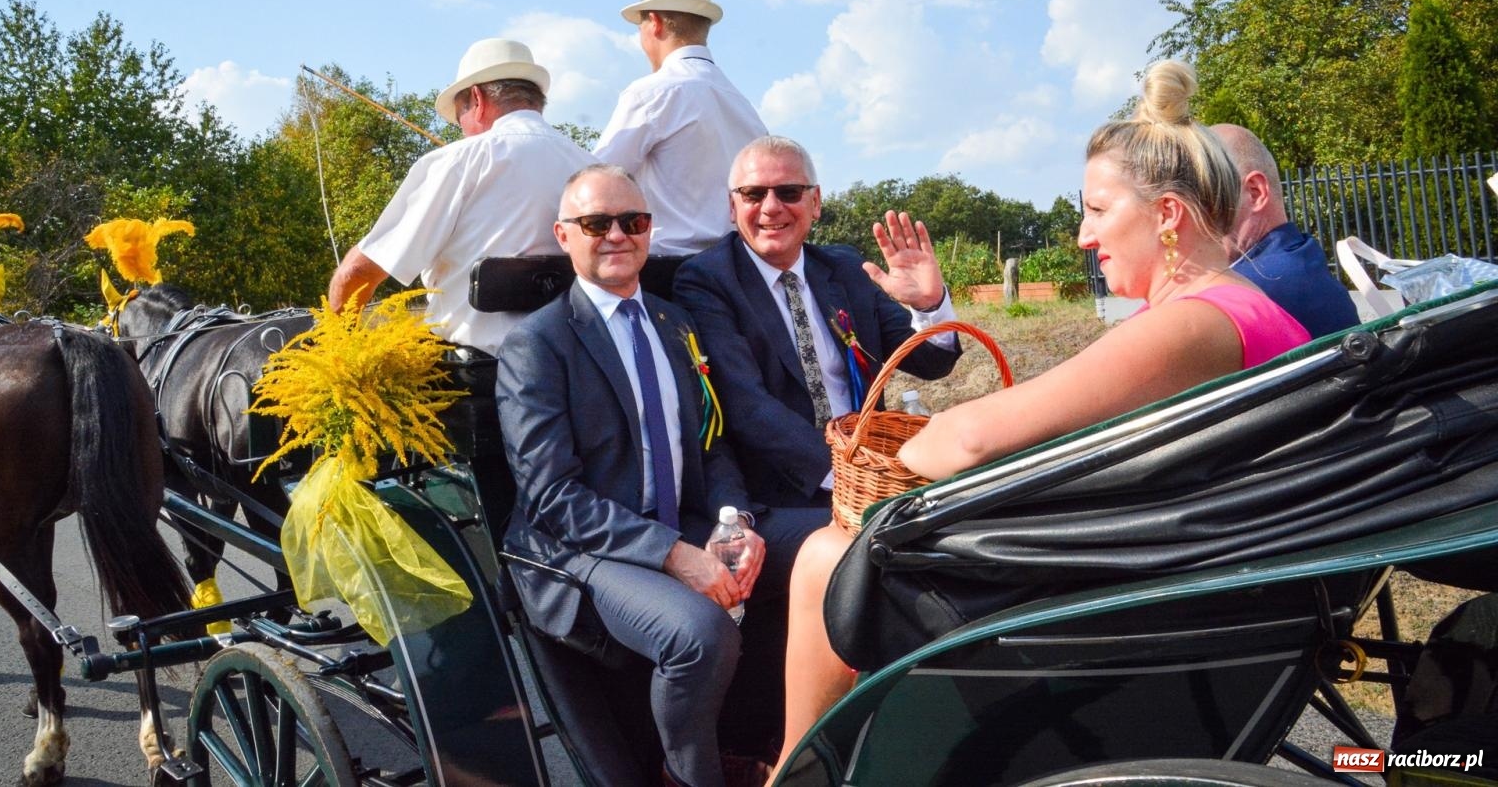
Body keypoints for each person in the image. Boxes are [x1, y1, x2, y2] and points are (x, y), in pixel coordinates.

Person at [771, 61, 1313, 776]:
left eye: (1097, 209)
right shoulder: (1246, 307)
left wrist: (929, 443)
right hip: (1179, 568)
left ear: (1169, 215)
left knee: (822, 557)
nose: (1084, 235)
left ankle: (792, 772)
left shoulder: (1192, 324)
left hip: (1131, 602)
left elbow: (967, 440)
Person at [499, 164, 821, 787]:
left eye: (634, 221)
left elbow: (712, 441)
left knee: (831, 543)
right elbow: (551, 497)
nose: (617, 234)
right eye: (597, 223)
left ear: (649, 232)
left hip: (687, 520)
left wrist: (734, 524)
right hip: (581, 550)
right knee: (700, 634)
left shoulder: (675, 324)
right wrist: (675, 555)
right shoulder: (537, 344)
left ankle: (785, 747)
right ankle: (689, 777)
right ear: (564, 235)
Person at [673, 135, 962, 509]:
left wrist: (929, 305)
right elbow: (746, 405)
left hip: (872, 472)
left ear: (816, 202)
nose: (771, 208)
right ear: (733, 206)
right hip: (785, 491)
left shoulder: (844, 269)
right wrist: (847, 471)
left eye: (789, 192)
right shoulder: (707, 280)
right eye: (753, 194)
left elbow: (931, 363)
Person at [326, 38, 592, 355]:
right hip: (578, 369)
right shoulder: (593, 166)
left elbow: (358, 275)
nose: (461, 130)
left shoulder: (456, 161)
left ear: (476, 99)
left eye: (458, 117)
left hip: (476, 380)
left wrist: (337, 356)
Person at [595, 0, 768, 255]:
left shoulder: (651, 93)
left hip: (672, 270)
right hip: (742, 267)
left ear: (655, 23)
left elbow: (597, 183)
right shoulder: (744, 105)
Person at [1212, 123, 1361, 339]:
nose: (1190, 217)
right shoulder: (1300, 259)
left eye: (1203, 194)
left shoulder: (1252, 288)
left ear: (1254, 193)